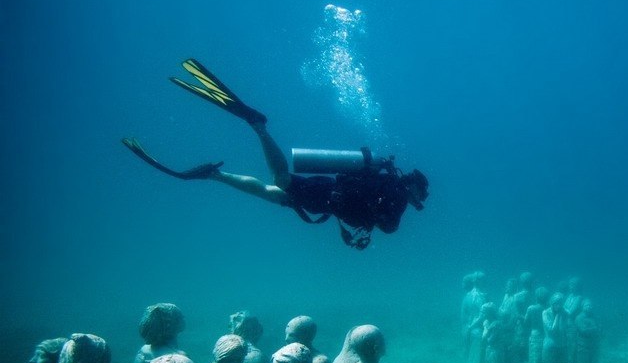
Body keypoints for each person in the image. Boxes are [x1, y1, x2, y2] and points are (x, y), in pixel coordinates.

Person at [122, 59, 428, 249]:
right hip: (327, 194)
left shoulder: (388, 184)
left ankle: (215, 174)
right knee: (281, 181)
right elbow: (389, 227)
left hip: (328, 196)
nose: (419, 202)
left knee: (276, 194)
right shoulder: (397, 194)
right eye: (420, 195)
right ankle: (259, 127)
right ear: (413, 186)